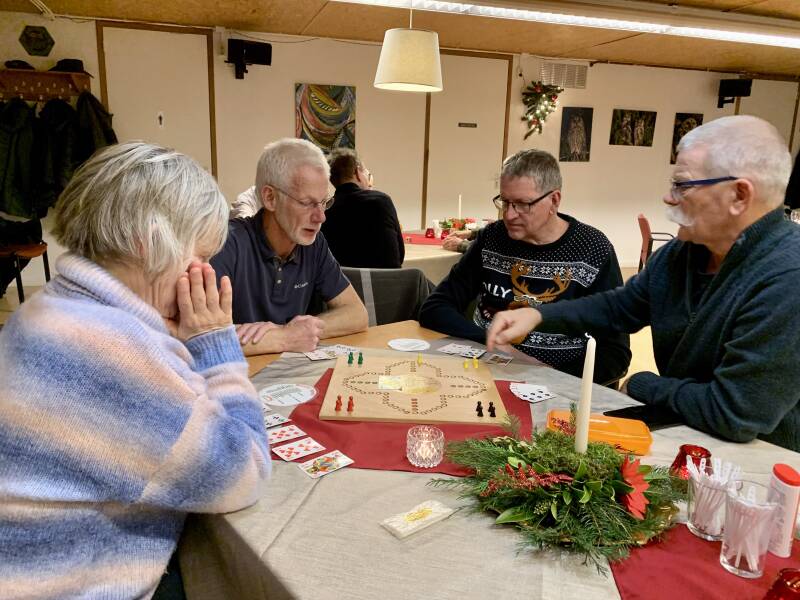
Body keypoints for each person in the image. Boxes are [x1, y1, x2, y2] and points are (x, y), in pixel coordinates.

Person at [0, 142, 271, 599]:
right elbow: (244, 474)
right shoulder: (108, 348)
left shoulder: (48, 308)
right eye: (201, 257)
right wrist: (216, 345)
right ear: (151, 240)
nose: (204, 274)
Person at [487, 116, 800, 451]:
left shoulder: (788, 276)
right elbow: (620, 307)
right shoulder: (681, 254)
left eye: (682, 185)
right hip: (687, 433)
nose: (669, 198)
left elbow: (736, 413)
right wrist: (538, 315)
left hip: (765, 459)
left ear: (739, 195)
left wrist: (643, 383)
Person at [419, 149, 630, 385]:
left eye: (522, 204)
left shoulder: (592, 248)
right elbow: (435, 307)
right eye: (505, 202)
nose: (509, 215)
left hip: (560, 384)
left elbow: (615, 354)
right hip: (486, 373)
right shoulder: (492, 238)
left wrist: (548, 376)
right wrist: (494, 342)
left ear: (554, 200)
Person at [210, 138, 368, 355]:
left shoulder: (313, 243)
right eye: (307, 203)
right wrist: (285, 337)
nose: (321, 217)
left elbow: (357, 314)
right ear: (270, 198)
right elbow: (198, 341)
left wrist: (301, 331)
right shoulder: (226, 243)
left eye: (324, 202)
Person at [321, 148, 405, 268]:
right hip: (386, 278)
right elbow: (400, 256)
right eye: (366, 173)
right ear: (357, 172)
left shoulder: (326, 210)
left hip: (342, 279)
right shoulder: (381, 201)